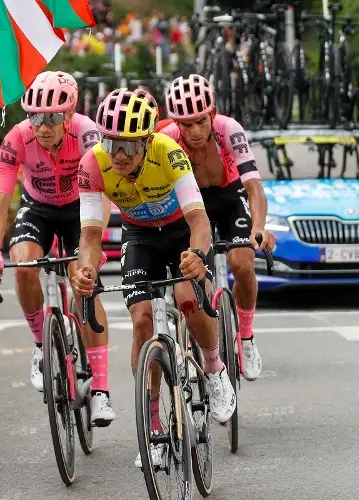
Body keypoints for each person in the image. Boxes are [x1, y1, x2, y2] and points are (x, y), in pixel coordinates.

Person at [71, 88, 236, 467]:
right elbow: (91, 237)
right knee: (142, 321)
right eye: (113, 144)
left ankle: (214, 368)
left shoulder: (169, 152)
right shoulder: (93, 164)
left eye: (130, 146)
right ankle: (154, 423)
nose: (121, 155)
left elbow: (199, 221)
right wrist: (86, 269)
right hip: (140, 236)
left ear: (147, 141)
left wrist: (196, 255)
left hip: (181, 231)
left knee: (190, 301)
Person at [0, 71, 115, 426]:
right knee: (23, 265)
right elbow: (0, 200)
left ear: (68, 115)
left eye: (51, 118)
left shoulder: (88, 134)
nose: (42, 126)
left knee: (84, 282)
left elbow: (101, 192)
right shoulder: (17, 138)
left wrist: (94, 241)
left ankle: (100, 390)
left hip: (79, 208)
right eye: (35, 117)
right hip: (37, 208)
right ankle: (41, 345)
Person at [160, 74, 275, 381]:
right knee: (196, 274)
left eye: (200, 121)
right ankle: (194, 337)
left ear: (211, 114)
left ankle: (246, 337)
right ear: (175, 122)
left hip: (228, 197)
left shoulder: (229, 129)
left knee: (242, 262)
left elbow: (253, 186)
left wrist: (259, 227)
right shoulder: (167, 138)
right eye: (186, 124)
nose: (195, 131)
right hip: (192, 203)